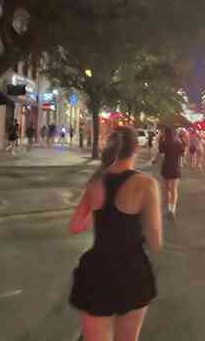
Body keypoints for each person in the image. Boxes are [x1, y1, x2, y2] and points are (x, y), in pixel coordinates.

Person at [68, 126, 162, 341]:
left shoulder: (95, 182)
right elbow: (155, 241)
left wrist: (101, 214)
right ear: (136, 148)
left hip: (97, 270)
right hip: (132, 270)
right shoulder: (146, 184)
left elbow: (74, 226)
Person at [152, 127, 185, 219]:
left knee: (166, 188)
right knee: (174, 189)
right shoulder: (178, 143)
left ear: (165, 134)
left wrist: (154, 160)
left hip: (166, 167)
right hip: (175, 167)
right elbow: (182, 154)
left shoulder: (164, 143)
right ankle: (172, 209)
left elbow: (160, 154)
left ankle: (169, 206)